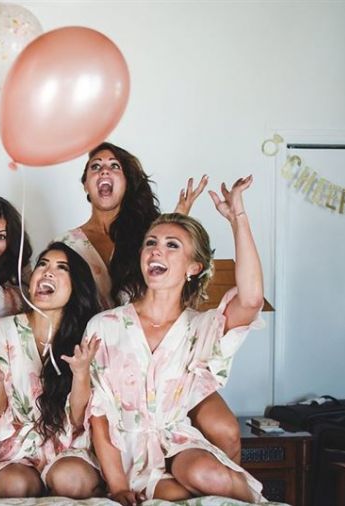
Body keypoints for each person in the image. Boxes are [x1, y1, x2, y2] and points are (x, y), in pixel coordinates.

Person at [56, 143, 240, 464]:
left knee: (225, 428)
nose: (104, 172)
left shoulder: (149, 237)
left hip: (165, 363)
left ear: (127, 181)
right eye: (96, 166)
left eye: (115, 166)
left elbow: (175, 276)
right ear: (85, 183)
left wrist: (179, 218)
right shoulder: (68, 244)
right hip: (107, 365)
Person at [87, 176, 265, 504]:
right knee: (171, 495)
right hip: (129, 452)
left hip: (179, 441)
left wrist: (238, 218)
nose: (157, 250)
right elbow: (98, 414)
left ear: (193, 267)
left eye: (173, 246)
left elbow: (252, 300)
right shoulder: (105, 326)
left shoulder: (200, 328)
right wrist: (117, 486)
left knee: (204, 474)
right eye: (151, 242)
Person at [0, 242, 102, 499]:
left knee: (72, 480)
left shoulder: (87, 336)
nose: (48, 272)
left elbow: (77, 420)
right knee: (15, 486)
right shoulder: (2, 330)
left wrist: (81, 374)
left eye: (61, 268)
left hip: (68, 445)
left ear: (76, 286)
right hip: (18, 447)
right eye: (43, 264)